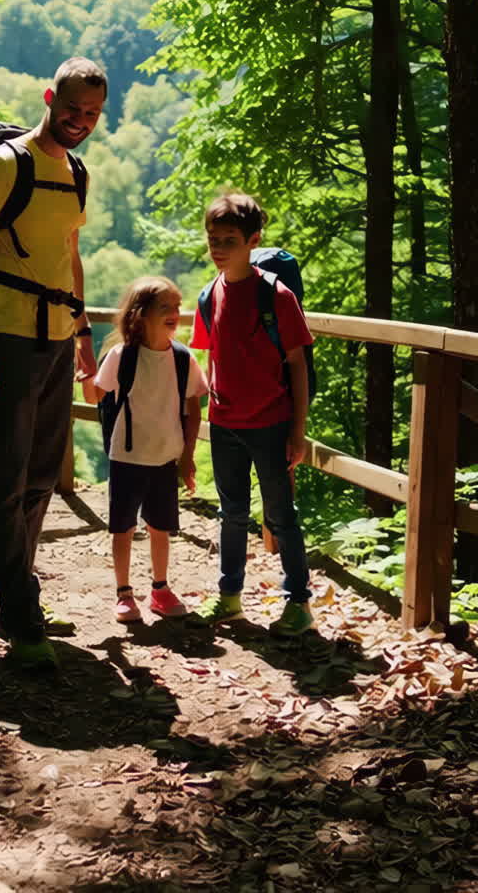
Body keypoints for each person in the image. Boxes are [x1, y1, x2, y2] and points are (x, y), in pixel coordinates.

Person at [0, 56, 106, 668]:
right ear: (50, 97)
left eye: (92, 113)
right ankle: (20, 612)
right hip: (7, 339)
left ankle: (20, 600)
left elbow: (70, 254)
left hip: (58, 338)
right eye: (72, 108)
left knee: (42, 474)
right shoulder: (2, 165)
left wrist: (85, 332)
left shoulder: (76, 173)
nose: (80, 121)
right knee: (7, 475)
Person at [190, 193, 314, 635]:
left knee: (281, 515)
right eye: (213, 240)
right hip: (225, 425)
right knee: (232, 514)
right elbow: (210, 358)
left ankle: (298, 602)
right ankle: (229, 597)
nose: (219, 249)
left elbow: (297, 364)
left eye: (229, 240)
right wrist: (207, 415)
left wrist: (296, 432)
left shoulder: (276, 297)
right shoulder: (209, 295)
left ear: (253, 240)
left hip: (271, 424)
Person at [82, 276, 208, 623]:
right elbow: (95, 395)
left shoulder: (183, 359)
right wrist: (84, 371)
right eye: (164, 307)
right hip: (126, 456)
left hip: (165, 457)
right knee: (122, 528)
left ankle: (160, 588)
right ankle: (124, 593)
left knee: (160, 527)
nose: (174, 313)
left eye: (176, 306)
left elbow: (193, 410)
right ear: (141, 315)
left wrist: (186, 460)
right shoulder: (122, 356)